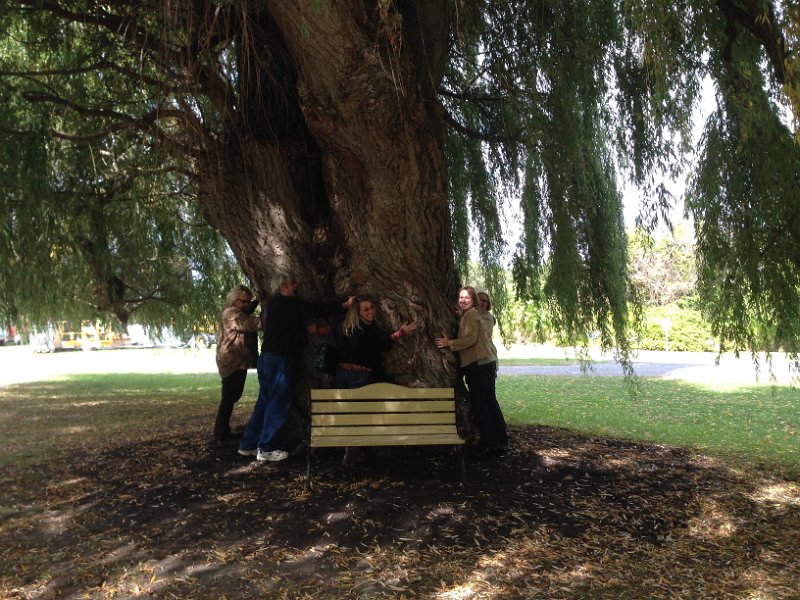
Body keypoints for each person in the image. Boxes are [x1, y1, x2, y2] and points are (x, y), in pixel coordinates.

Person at [238, 272, 353, 462]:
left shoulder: (271, 305)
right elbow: (317, 309)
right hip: (281, 359)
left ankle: (248, 444)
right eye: (292, 283)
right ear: (283, 286)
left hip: (266, 358)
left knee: (264, 401)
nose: (296, 286)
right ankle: (266, 447)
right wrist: (344, 305)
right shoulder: (291, 304)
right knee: (278, 402)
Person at [334, 296, 418, 465]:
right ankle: (353, 446)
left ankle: (353, 447)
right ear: (357, 312)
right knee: (359, 413)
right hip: (360, 375)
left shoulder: (345, 326)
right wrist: (400, 332)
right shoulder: (365, 328)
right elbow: (382, 344)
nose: (371, 311)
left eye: (371, 307)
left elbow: (332, 335)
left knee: (348, 412)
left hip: (341, 374)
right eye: (365, 309)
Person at [435, 286, 508, 455]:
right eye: (461, 297)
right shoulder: (471, 314)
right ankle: (501, 439)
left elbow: (470, 338)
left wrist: (449, 343)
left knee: (480, 405)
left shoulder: (472, 314)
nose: (463, 300)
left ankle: (489, 443)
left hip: (479, 364)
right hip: (487, 361)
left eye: (467, 297)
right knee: (490, 402)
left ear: (473, 299)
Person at [214, 285, 261, 448]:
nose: (247, 305)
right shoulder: (232, 313)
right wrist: (272, 315)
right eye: (244, 301)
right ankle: (220, 434)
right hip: (232, 362)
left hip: (237, 361)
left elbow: (247, 315)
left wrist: (256, 302)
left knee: (232, 396)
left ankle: (223, 431)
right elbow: (251, 324)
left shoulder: (236, 312)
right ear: (234, 300)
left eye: (249, 302)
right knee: (229, 397)